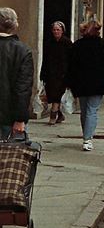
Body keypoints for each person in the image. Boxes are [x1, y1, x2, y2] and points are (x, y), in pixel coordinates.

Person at [65, 20, 104, 151]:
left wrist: (69, 82)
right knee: (92, 110)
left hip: (80, 82)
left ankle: (86, 136)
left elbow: (70, 66)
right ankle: (87, 139)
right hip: (97, 82)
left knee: (84, 110)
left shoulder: (77, 45)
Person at [0, 8, 33, 140]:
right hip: (9, 115)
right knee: (8, 156)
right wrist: (20, 119)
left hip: (8, 114)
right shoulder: (23, 51)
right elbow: (23, 88)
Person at [41, 20, 72, 125]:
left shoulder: (67, 43)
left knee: (57, 95)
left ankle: (52, 117)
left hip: (62, 74)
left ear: (62, 31)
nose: (56, 32)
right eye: (54, 30)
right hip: (50, 74)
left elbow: (71, 60)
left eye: (58, 30)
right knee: (52, 95)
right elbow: (45, 59)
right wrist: (43, 74)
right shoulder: (49, 43)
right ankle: (60, 115)